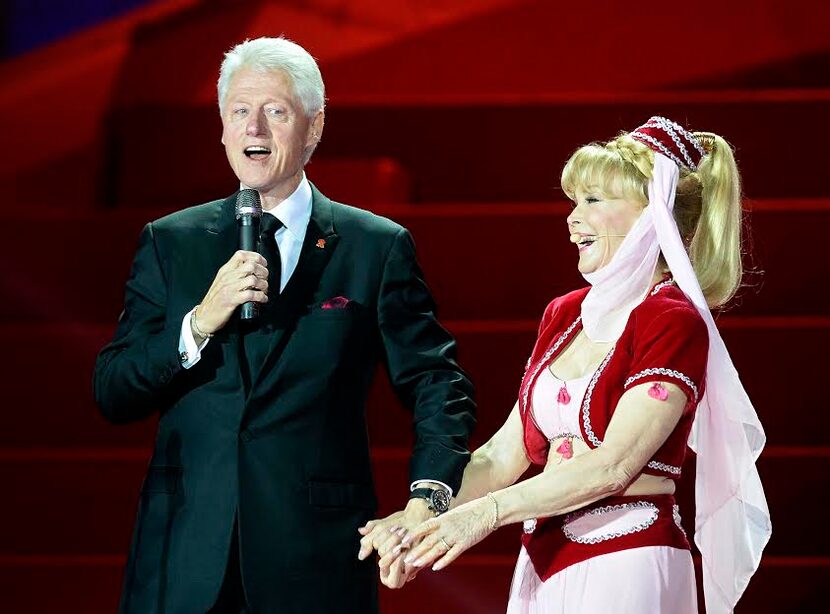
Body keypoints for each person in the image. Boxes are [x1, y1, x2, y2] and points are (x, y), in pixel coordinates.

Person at [93, 36, 475, 613]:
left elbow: (436, 382)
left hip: (313, 561)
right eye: (240, 112)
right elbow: (114, 389)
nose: (255, 130)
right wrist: (199, 324)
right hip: (182, 560)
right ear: (221, 127)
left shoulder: (374, 247)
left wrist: (429, 494)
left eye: (275, 112)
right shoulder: (170, 243)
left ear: (315, 126)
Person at [374, 117, 771, 613]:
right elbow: (502, 456)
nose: (571, 218)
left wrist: (485, 514)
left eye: (593, 201)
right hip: (541, 563)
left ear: (653, 213)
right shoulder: (564, 313)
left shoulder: (671, 320)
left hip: (628, 561)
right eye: (573, 202)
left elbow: (613, 466)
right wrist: (420, 519)